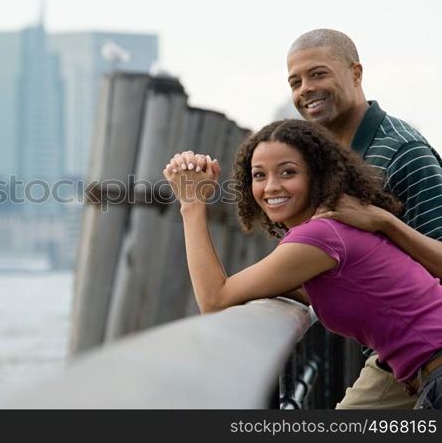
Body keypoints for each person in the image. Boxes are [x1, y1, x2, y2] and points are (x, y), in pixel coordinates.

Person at [162, 119, 442, 409]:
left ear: (317, 176)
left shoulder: (319, 235)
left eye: (288, 172)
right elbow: (345, 289)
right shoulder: (330, 230)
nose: (271, 186)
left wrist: (191, 204)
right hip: (419, 372)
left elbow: (214, 299)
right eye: (259, 175)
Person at [284, 29, 442, 409]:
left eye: (318, 74)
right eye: (295, 81)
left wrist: (383, 222)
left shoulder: (404, 151)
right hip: (394, 354)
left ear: (356, 73)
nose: (306, 88)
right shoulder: (329, 161)